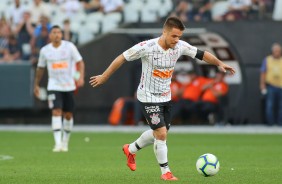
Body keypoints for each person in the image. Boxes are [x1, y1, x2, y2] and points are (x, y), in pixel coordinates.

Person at [89, 16, 235, 180]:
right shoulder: (147, 47)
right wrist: (104, 76)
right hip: (147, 96)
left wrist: (219, 63)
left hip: (165, 96)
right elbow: (122, 57)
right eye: (173, 36)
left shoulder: (180, 46)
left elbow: (201, 54)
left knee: (158, 134)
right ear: (164, 32)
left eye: (179, 36)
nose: (176, 40)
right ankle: (166, 172)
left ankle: (130, 149)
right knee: (161, 133)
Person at [33, 25, 85, 152]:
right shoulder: (45, 50)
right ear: (50, 35)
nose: (56, 34)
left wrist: (81, 77)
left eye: (58, 32)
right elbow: (40, 68)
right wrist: (36, 84)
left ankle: (65, 142)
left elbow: (80, 62)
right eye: (54, 32)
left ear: (61, 35)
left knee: (68, 114)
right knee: (56, 111)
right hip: (54, 85)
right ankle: (57, 143)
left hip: (68, 85)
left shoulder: (69, 47)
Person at [260, 43, 282, 126]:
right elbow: (263, 72)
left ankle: (280, 123)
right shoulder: (267, 60)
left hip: (281, 86)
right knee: (270, 105)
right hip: (271, 86)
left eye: (278, 51)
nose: (277, 52)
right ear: (272, 51)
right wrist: (262, 84)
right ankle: (271, 123)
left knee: (281, 106)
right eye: (275, 51)